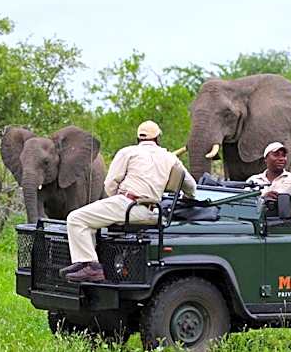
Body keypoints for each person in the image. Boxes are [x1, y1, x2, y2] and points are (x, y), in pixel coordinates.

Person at [61, 120, 197, 283]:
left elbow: (110, 183)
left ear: (138, 139)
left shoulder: (128, 152)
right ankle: (83, 263)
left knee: (76, 218)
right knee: (89, 220)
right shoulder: (170, 158)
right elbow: (191, 187)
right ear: (158, 138)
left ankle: (92, 267)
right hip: (153, 212)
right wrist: (187, 198)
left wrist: (116, 199)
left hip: (127, 205)